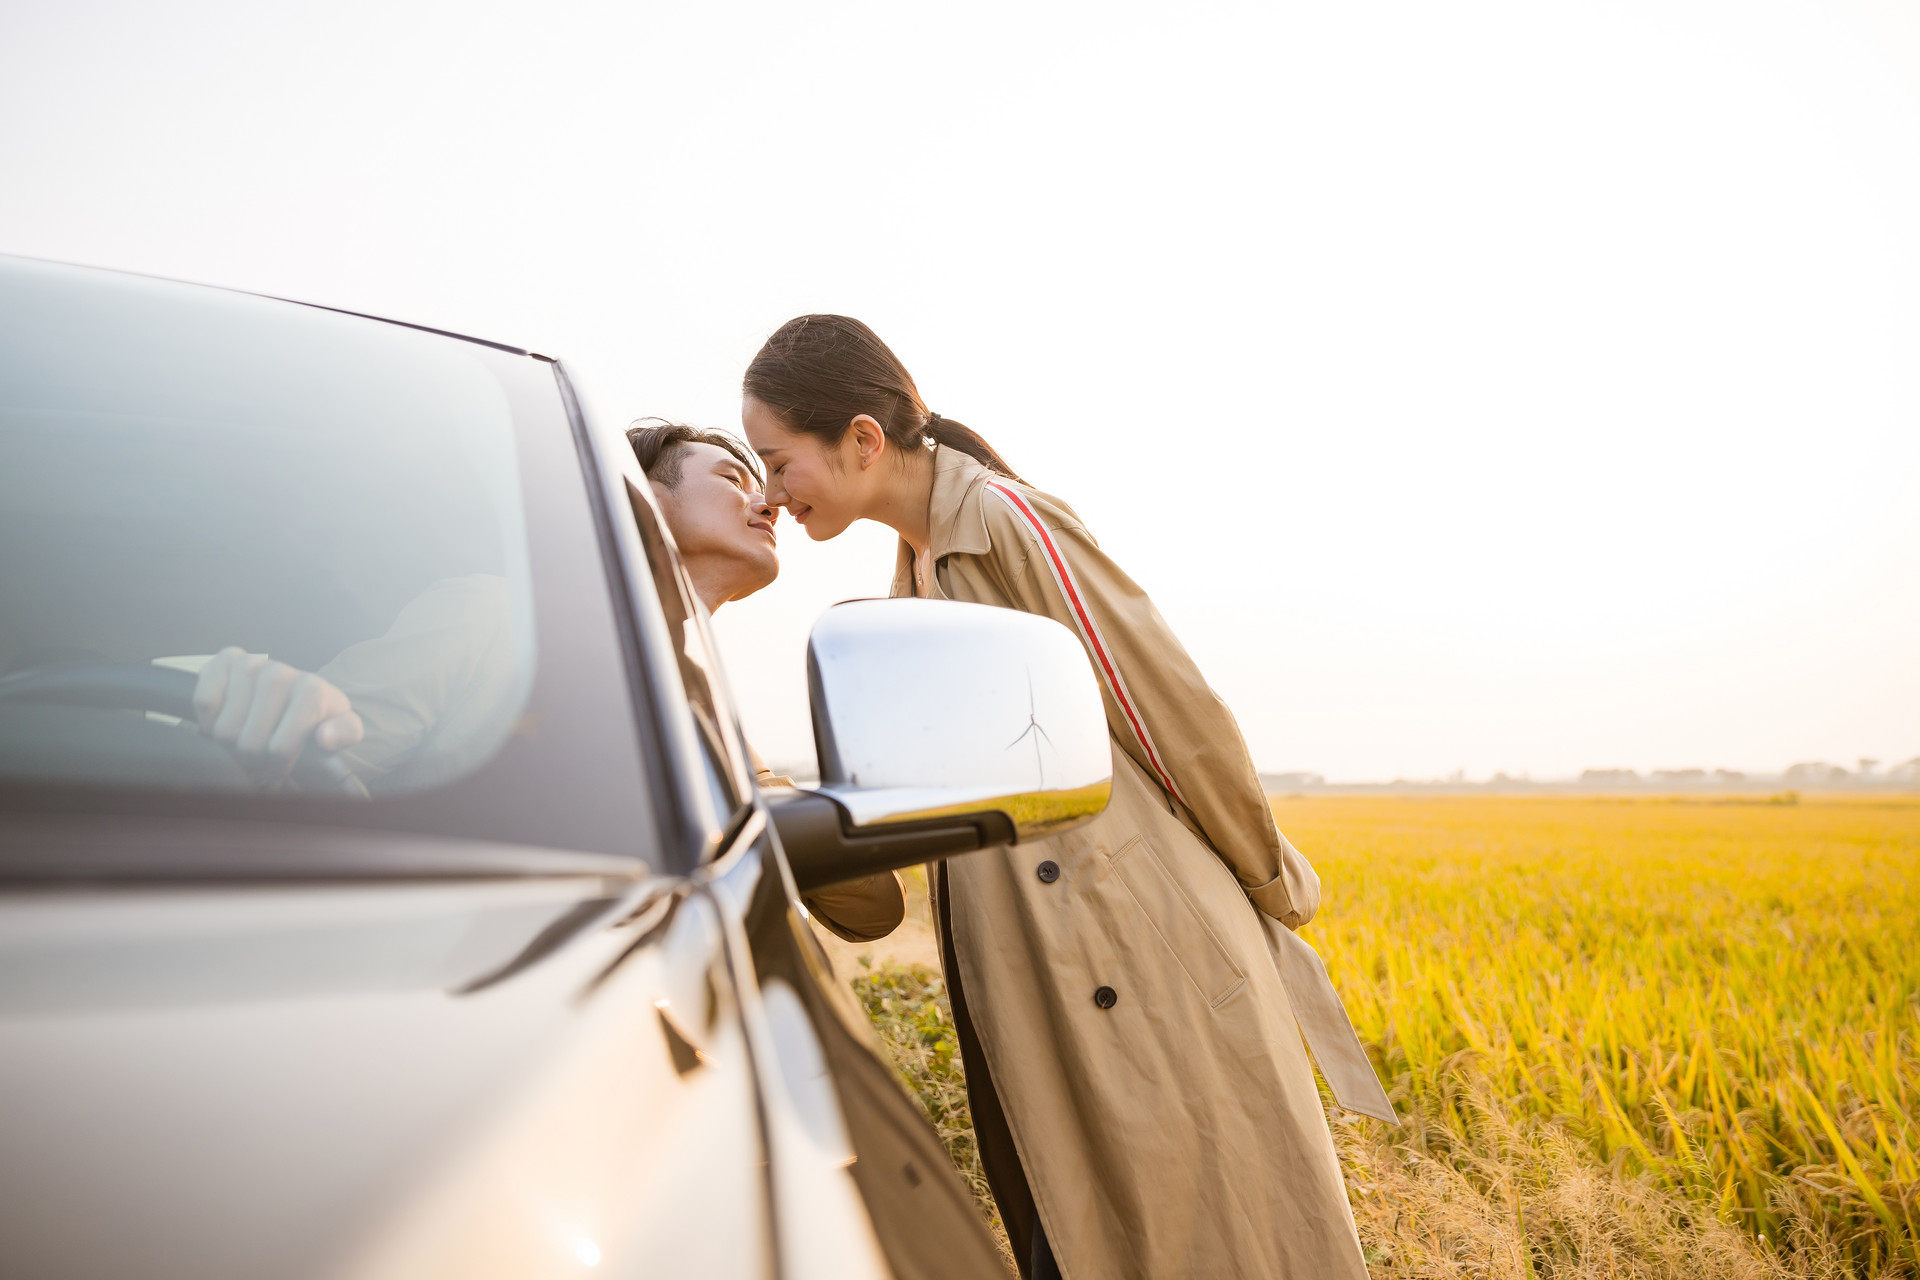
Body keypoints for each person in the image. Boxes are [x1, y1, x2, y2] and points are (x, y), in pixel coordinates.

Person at [742, 315, 1374, 1280]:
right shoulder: (915, 570)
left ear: (862, 439)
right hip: (1051, 964)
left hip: (1128, 948)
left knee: (1183, 1233)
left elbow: (1166, 706)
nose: (772, 494)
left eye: (778, 461)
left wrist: (1270, 879)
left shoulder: (1005, 520)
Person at [190, 418, 903, 943]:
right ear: (642, 499)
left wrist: (761, 794)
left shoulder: (711, 715)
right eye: (731, 480)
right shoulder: (495, 614)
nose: (768, 502)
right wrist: (271, 710)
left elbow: (871, 910)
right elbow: (304, 757)